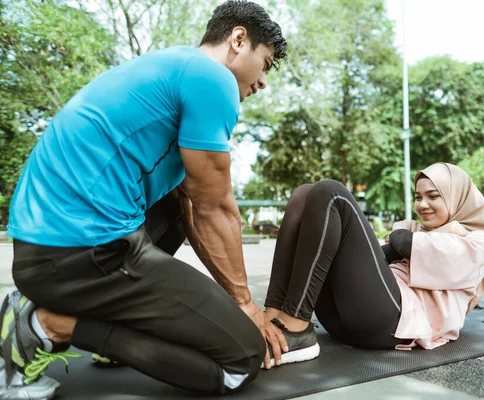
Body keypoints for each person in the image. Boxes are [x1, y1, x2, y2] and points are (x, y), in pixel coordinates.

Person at [0, 1, 288, 398]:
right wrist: (244, 304)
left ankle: (75, 309)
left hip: (42, 252)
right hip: (81, 253)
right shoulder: (213, 79)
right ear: (239, 39)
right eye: (266, 63)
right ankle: (47, 323)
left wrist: (232, 301)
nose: (263, 82)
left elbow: (190, 205)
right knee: (240, 360)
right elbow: (214, 207)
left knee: (173, 203)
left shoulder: (171, 67)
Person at [261, 163, 484, 367]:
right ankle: (273, 319)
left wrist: (398, 242)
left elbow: (404, 244)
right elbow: (380, 252)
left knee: (332, 193)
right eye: (418, 197)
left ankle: (295, 330)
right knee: (304, 194)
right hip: (342, 320)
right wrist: (395, 244)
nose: (423, 205)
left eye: (434, 196)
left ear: (456, 197)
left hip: (393, 323)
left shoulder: (476, 242)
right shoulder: (414, 228)